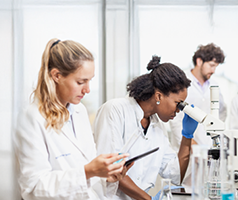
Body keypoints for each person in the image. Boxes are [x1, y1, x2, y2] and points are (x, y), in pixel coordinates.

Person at [13, 38, 131, 200]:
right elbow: (33, 189)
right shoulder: (31, 118)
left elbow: (87, 178)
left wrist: (107, 177)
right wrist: (88, 171)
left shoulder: (79, 111)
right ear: (57, 76)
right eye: (81, 82)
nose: (87, 89)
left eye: (90, 81)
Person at [93, 56, 198, 200]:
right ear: (159, 96)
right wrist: (148, 199)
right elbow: (112, 169)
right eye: (178, 103)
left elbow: (175, 175)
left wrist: (187, 136)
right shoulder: (115, 110)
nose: (178, 110)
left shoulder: (158, 126)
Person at [168, 43, 226, 191]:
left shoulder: (214, 85)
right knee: (186, 189)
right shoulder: (182, 83)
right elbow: (175, 120)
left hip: (208, 149)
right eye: (211, 65)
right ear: (199, 61)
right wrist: (192, 145)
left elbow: (221, 113)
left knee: (208, 189)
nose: (213, 70)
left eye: (216, 66)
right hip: (187, 147)